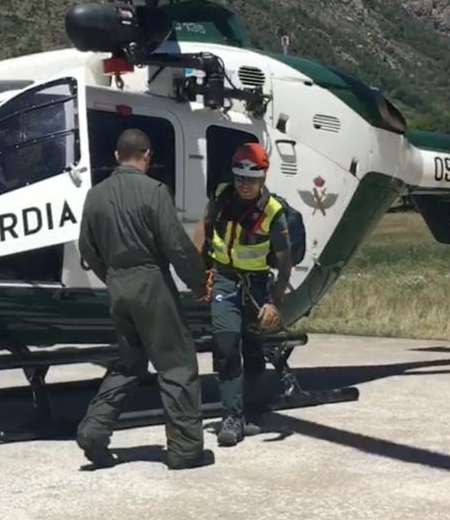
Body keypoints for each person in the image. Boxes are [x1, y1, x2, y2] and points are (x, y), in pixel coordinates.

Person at [75, 128, 213, 470]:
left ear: (117, 156)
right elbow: (175, 245)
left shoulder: (95, 195)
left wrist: (111, 276)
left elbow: (86, 248)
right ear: (147, 155)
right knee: (177, 363)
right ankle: (184, 450)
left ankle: (94, 429)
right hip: (151, 282)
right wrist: (198, 282)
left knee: (129, 363)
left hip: (118, 286)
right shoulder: (154, 191)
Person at [193, 142, 293, 447]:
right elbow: (203, 230)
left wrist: (274, 302)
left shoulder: (273, 212)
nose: (244, 185)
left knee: (252, 349)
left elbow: (285, 260)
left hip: (257, 286)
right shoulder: (222, 195)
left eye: (251, 179)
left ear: (263, 177)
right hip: (223, 280)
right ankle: (231, 417)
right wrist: (196, 275)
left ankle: (252, 411)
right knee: (226, 347)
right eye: (240, 178)